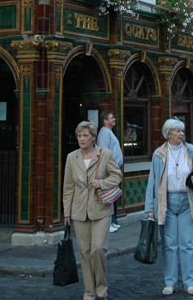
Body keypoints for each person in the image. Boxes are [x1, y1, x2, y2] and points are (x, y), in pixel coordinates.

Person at [63, 121, 122, 300]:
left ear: (93, 137)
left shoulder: (105, 155)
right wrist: (67, 212)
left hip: (101, 209)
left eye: (85, 135)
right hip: (79, 211)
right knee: (85, 253)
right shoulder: (72, 157)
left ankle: (101, 288)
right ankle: (89, 292)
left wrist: (102, 183)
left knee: (98, 249)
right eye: (79, 136)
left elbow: (117, 175)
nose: (82, 139)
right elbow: (68, 187)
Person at [145, 118, 193, 296]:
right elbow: (152, 182)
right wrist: (150, 206)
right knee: (169, 245)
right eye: (178, 131)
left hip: (187, 201)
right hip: (167, 203)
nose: (181, 134)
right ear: (168, 133)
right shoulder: (159, 154)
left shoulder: (191, 150)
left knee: (187, 243)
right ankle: (170, 282)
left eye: (182, 131)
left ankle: (189, 282)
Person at [96, 111, 124, 233]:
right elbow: (103, 152)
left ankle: (111, 221)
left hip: (113, 169)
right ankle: (107, 223)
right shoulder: (104, 133)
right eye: (111, 118)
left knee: (111, 196)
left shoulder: (108, 132)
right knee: (108, 196)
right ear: (105, 121)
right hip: (109, 170)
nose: (114, 119)